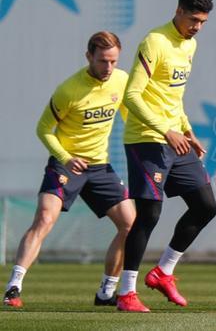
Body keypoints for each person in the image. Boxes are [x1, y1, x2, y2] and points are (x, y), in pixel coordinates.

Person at [3, 32, 135, 308]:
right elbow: (43, 129)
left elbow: (128, 114)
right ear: (89, 57)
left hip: (99, 166)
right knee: (44, 218)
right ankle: (14, 286)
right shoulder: (69, 90)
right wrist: (65, 156)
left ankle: (105, 293)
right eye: (102, 61)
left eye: (113, 61)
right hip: (66, 164)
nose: (108, 68)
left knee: (130, 225)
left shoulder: (122, 80)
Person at [115, 0, 216, 313]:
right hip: (146, 138)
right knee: (149, 214)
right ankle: (126, 294)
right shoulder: (155, 42)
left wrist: (185, 128)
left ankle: (163, 271)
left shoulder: (191, 45)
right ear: (178, 10)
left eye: (202, 21)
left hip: (177, 137)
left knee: (205, 206)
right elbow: (131, 95)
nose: (197, 27)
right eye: (193, 19)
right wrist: (166, 130)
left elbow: (172, 95)